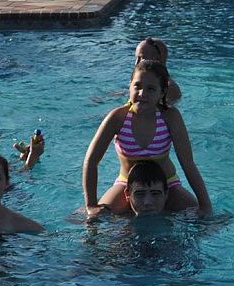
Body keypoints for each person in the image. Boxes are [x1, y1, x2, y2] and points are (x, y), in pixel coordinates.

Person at [82, 59, 212, 219]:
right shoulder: (117, 118)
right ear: (129, 86)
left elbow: (188, 163)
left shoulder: (170, 117)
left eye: (151, 89)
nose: (142, 93)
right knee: (96, 220)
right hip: (127, 185)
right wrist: (91, 206)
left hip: (167, 186)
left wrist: (206, 206)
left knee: (204, 219)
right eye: (137, 86)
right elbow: (91, 161)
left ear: (162, 93)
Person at [134, 37, 181, 103]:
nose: (136, 63)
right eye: (136, 58)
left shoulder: (169, 89)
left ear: (156, 59)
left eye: (141, 58)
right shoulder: (149, 82)